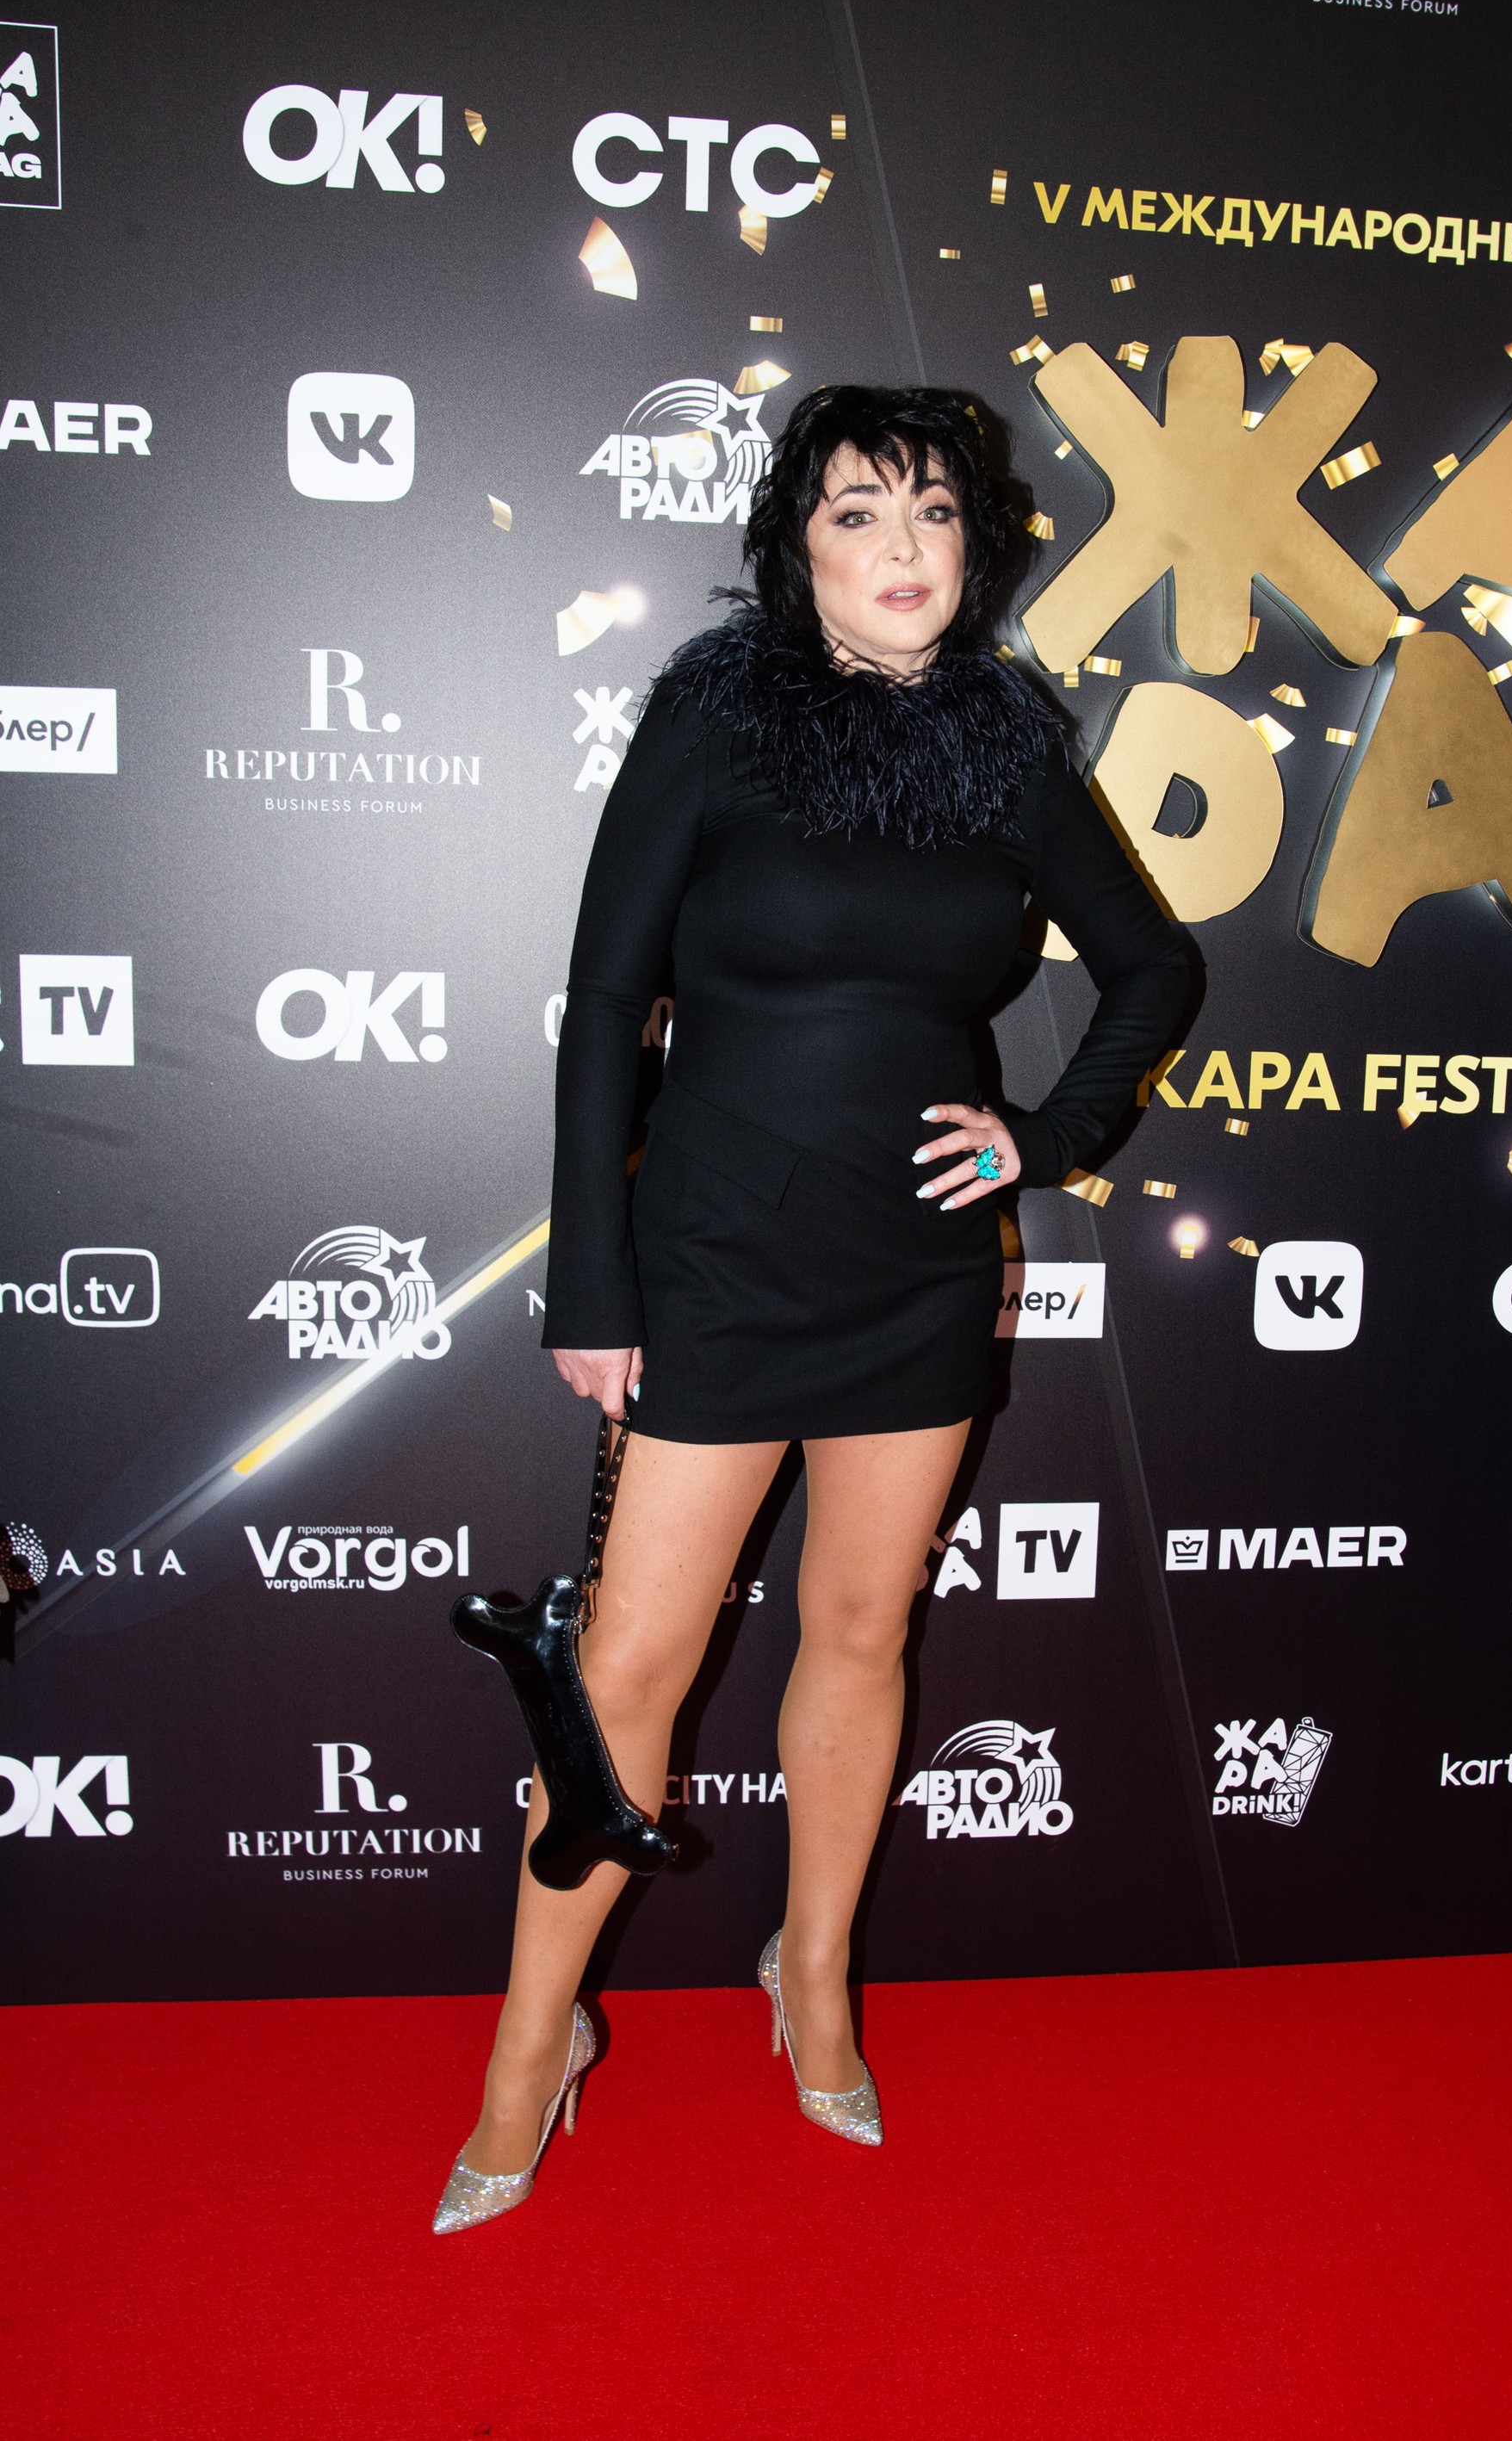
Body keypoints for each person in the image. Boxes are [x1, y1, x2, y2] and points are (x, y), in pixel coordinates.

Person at [433, 384, 1193, 2232]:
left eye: (932, 510)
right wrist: (590, 1277)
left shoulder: (1007, 743)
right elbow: (605, 1002)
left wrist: (1044, 1139)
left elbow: (1152, 966)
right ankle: (531, 2048)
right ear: (797, 546)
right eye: (857, 511)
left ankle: (815, 1971)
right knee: (629, 1665)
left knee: (858, 1629)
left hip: (911, 1269)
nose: (901, 546)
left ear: (974, 544)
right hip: (706, 1254)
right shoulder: (716, 712)